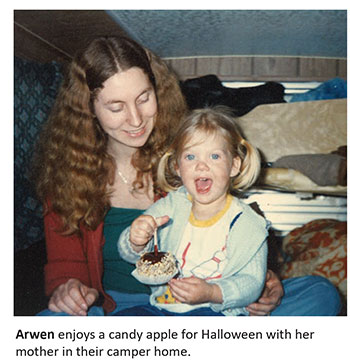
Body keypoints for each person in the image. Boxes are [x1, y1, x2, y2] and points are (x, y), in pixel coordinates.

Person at [32, 35, 340, 316]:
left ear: (157, 90)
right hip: (119, 310)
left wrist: (262, 280)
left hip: (203, 301)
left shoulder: (189, 155)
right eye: (116, 107)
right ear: (88, 109)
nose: (136, 119)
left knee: (321, 293)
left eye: (143, 98)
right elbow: (65, 268)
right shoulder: (67, 177)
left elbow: (233, 230)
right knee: (46, 325)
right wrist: (67, 290)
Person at [116, 107, 269, 316]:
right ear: (178, 167)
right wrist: (135, 241)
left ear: (234, 165)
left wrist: (212, 292)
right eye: (190, 157)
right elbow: (131, 254)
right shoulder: (171, 205)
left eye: (214, 156)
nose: (201, 166)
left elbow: (252, 282)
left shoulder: (247, 223)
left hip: (214, 311)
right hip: (161, 307)